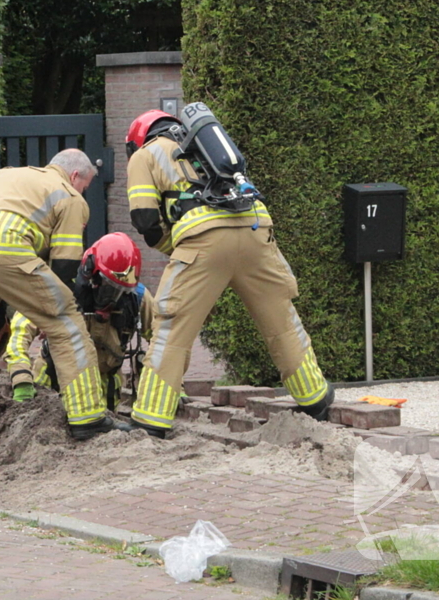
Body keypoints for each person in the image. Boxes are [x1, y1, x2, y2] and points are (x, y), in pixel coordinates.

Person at [123, 106, 334, 439]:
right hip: (256, 229)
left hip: (204, 240)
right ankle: (315, 398)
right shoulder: (206, 149)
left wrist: (179, 249)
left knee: (172, 330)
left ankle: (151, 418)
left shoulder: (144, 155)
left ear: (137, 139)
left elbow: (145, 219)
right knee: (281, 319)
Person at [0, 149, 129, 476]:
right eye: (86, 185)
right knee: (67, 324)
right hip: (7, 249)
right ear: (75, 176)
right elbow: (64, 265)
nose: (84, 192)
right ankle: (88, 418)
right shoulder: (69, 196)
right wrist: (47, 311)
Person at [5, 232, 156, 410]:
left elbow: (164, 341)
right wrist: (22, 380)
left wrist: (173, 386)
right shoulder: (59, 288)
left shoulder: (137, 298)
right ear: (90, 273)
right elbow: (19, 334)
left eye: (121, 291)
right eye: (109, 289)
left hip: (104, 393)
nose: (114, 299)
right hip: (51, 387)